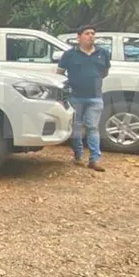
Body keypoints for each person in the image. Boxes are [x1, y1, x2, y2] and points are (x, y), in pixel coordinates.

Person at [57, 25, 111, 172]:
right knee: (76, 128)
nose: (91, 36)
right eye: (87, 33)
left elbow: (104, 72)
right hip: (75, 97)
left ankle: (94, 159)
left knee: (92, 127)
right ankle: (78, 155)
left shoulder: (103, 53)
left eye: (93, 33)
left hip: (95, 97)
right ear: (79, 37)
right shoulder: (70, 54)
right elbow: (60, 73)